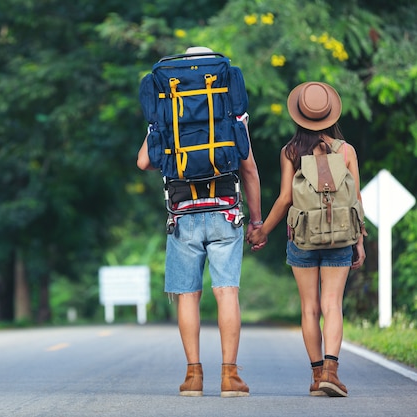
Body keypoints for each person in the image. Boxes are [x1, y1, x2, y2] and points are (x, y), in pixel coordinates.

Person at [137, 46, 263, 397]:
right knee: (226, 293)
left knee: (187, 296)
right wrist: (256, 220)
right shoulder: (230, 114)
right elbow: (249, 168)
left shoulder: (167, 114)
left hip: (182, 214)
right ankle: (230, 377)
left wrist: (164, 136)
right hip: (225, 211)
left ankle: (193, 377)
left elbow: (142, 162)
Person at [248, 81, 366, 397]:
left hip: (301, 238)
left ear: (298, 116)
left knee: (309, 307)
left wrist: (262, 230)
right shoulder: (347, 151)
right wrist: (360, 240)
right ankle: (332, 372)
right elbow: (355, 198)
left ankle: (317, 378)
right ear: (331, 115)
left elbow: (286, 198)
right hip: (341, 237)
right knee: (332, 305)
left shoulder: (290, 152)